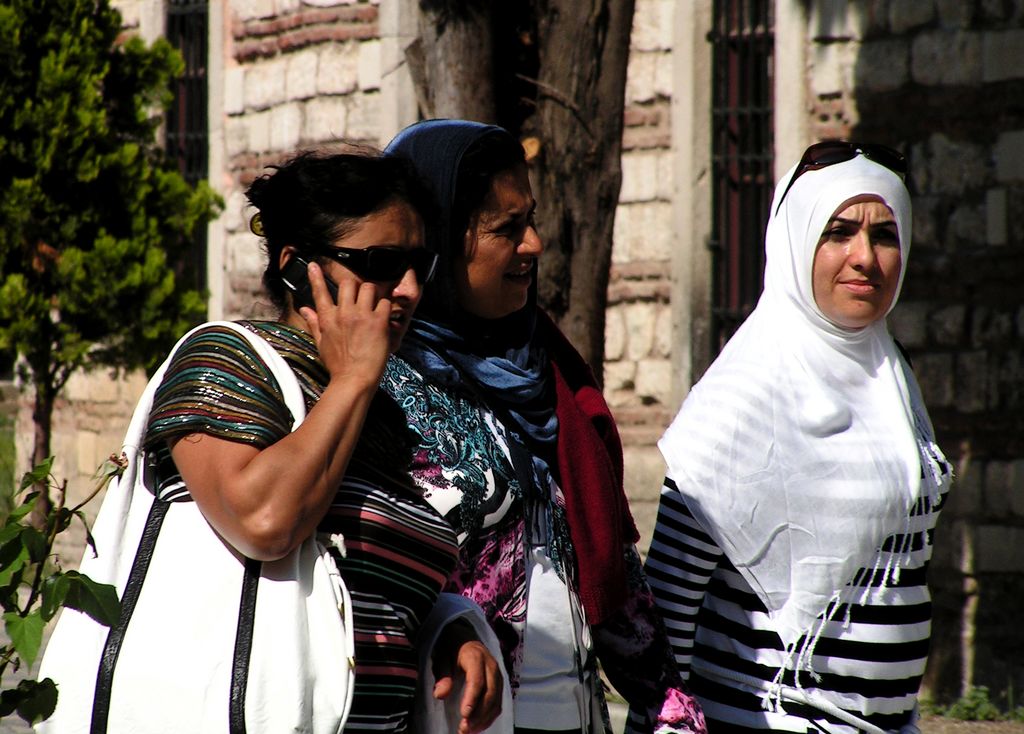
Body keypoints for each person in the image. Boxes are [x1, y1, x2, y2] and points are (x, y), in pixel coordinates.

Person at [144, 149, 502, 733]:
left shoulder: (378, 409)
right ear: (295, 267)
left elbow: (365, 579)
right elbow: (263, 521)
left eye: (421, 265)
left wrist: (448, 627)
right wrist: (355, 377)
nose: (409, 289)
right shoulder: (226, 358)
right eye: (382, 263)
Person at [382, 119, 706, 734]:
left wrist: (671, 712)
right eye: (506, 228)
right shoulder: (382, 390)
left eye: (530, 220)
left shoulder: (549, 371)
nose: (532, 244)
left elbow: (613, 571)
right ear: (438, 240)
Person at [638, 142, 952, 733]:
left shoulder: (892, 380)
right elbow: (668, 601)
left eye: (885, 235)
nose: (865, 257)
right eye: (838, 232)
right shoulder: (746, 392)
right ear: (795, 240)